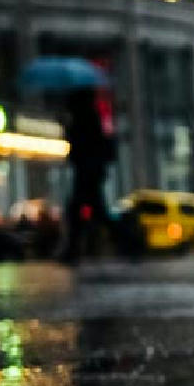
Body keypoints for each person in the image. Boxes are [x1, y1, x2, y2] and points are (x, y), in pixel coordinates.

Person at [61, 90, 115, 262]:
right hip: (90, 172)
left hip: (87, 172)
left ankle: (72, 250)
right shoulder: (90, 117)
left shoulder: (84, 119)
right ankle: (72, 249)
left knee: (79, 210)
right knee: (96, 213)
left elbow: (79, 146)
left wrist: (67, 128)